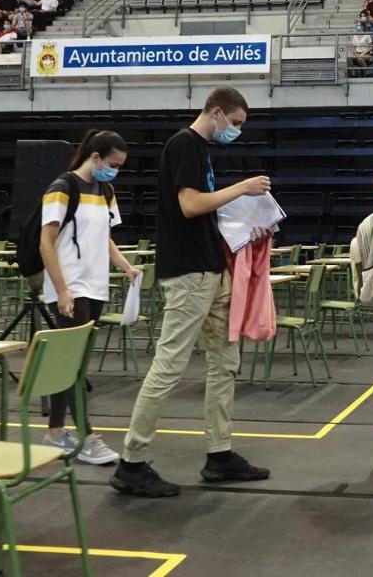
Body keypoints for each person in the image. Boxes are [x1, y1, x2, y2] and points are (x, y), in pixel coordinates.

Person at [111, 87, 272, 498]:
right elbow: (190, 205)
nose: (236, 130)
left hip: (209, 268)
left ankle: (220, 453)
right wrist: (243, 189)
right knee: (169, 366)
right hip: (188, 273)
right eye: (235, 122)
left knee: (225, 362)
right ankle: (131, 461)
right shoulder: (185, 144)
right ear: (217, 112)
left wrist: (248, 225)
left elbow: (204, 212)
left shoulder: (201, 150)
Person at [40, 131, 139, 465]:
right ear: (95, 157)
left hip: (95, 284)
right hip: (69, 285)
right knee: (74, 365)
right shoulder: (61, 187)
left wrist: (126, 266)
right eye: (113, 164)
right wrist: (62, 289)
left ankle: (55, 432)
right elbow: (46, 242)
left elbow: (104, 237)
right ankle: (86, 436)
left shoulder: (105, 191)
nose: (115, 171)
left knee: (71, 362)